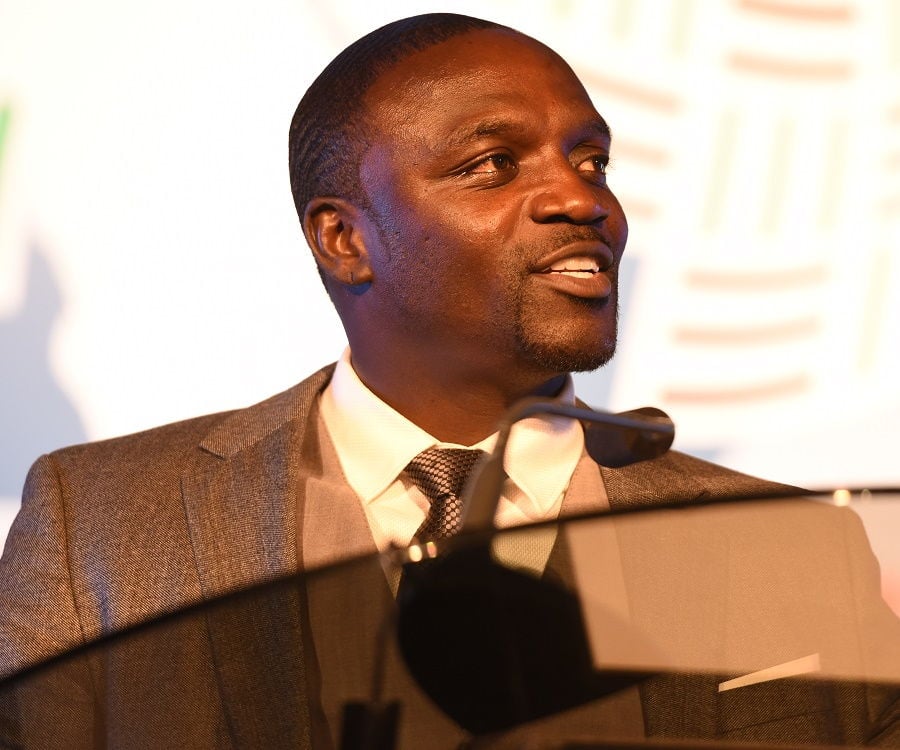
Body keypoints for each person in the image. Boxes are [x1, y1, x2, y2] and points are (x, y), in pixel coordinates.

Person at [0, 12, 898, 748]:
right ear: (344, 239)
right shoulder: (99, 525)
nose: (584, 199)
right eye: (493, 165)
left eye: (592, 161)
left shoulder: (794, 548)